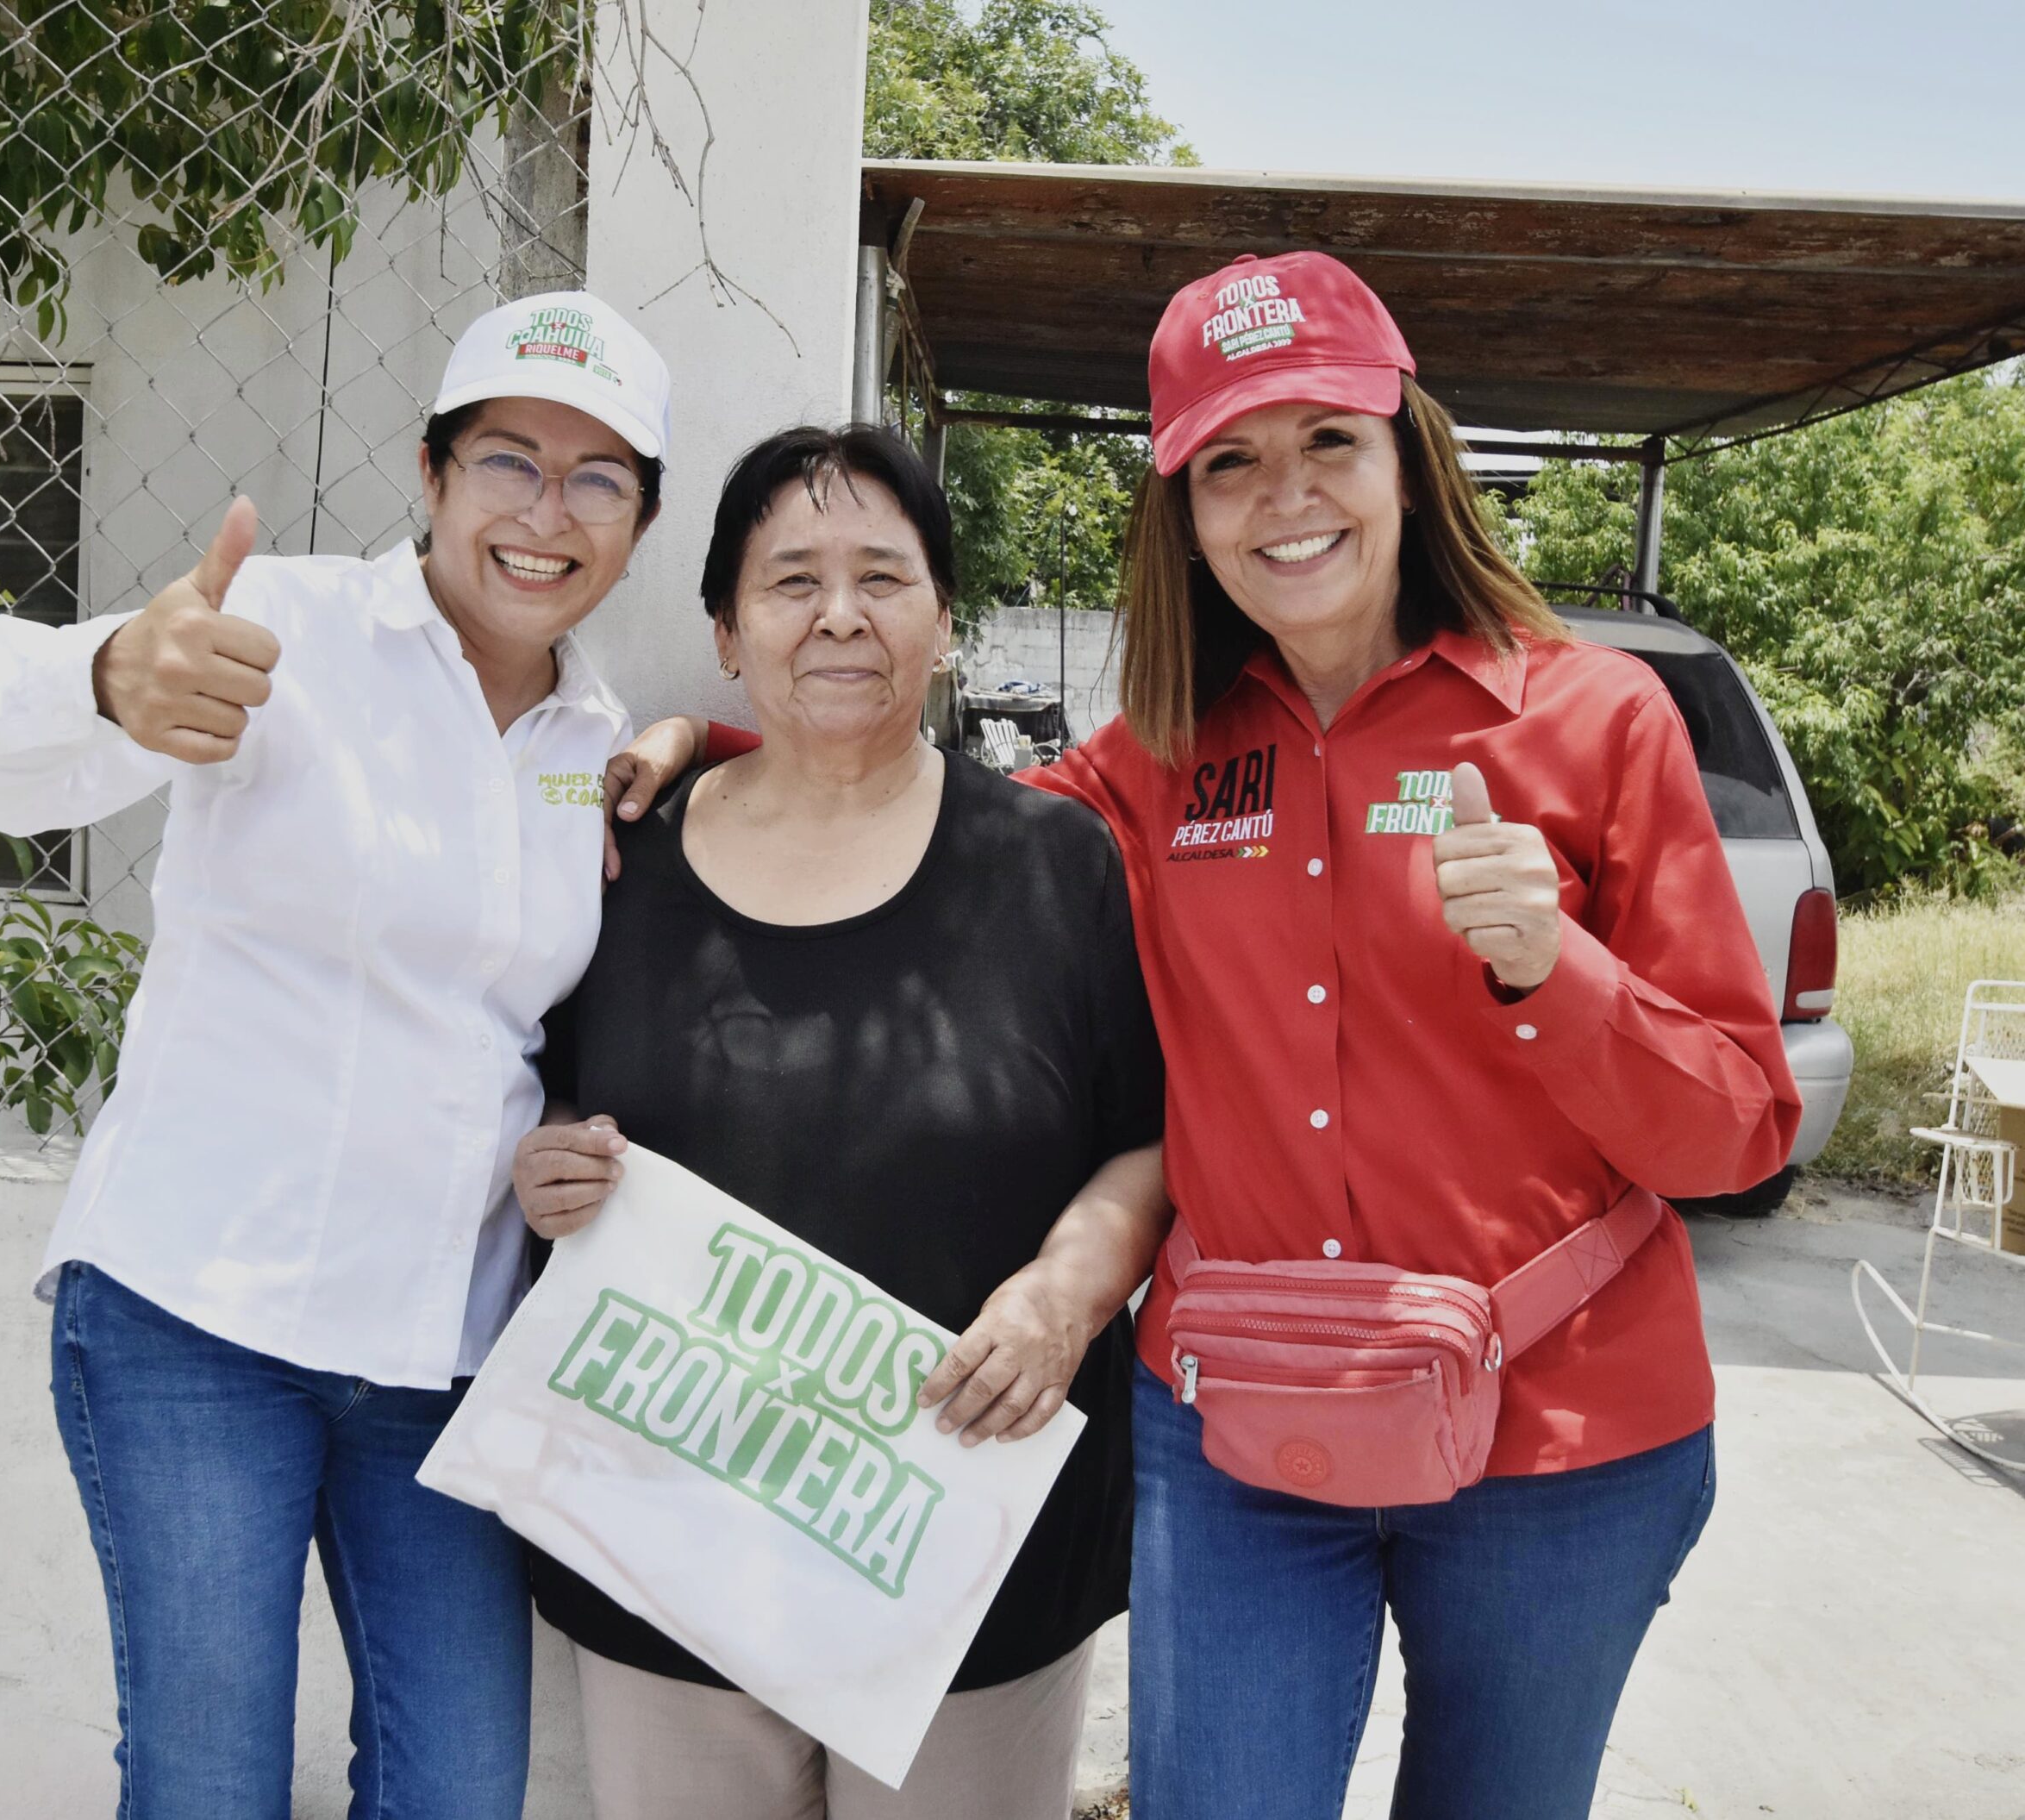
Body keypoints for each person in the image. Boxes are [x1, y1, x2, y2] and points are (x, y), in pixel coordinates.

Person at [607, 253, 1802, 1820]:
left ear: (1406, 457)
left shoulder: (1592, 718)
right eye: (1229, 461)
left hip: (1558, 1443)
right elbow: (940, 823)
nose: (1283, 498)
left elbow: (1737, 1133)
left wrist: (1556, 972)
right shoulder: (1157, 762)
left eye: (1327, 443)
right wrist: (727, 738)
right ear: (1183, 509)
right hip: (1242, 1443)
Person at [0, 290, 672, 1820]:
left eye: (599, 480)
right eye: (508, 459)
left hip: (442, 1359)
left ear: (638, 523)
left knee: (456, 1794)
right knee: (209, 1789)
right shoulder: (280, 635)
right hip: (197, 1323)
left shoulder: (603, 747)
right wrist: (106, 673)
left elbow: (535, 1029)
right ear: (435, 475)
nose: (546, 512)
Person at [511, 423, 1168, 1820]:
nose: (840, 613)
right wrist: (550, 1160)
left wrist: (1067, 1296)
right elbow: (546, 1082)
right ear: (727, 631)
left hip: (963, 1557)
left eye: (884, 573)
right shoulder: (622, 862)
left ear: (941, 616)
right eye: (791, 578)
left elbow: (1150, 1138)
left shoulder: (1057, 867)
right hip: (671, 1547)